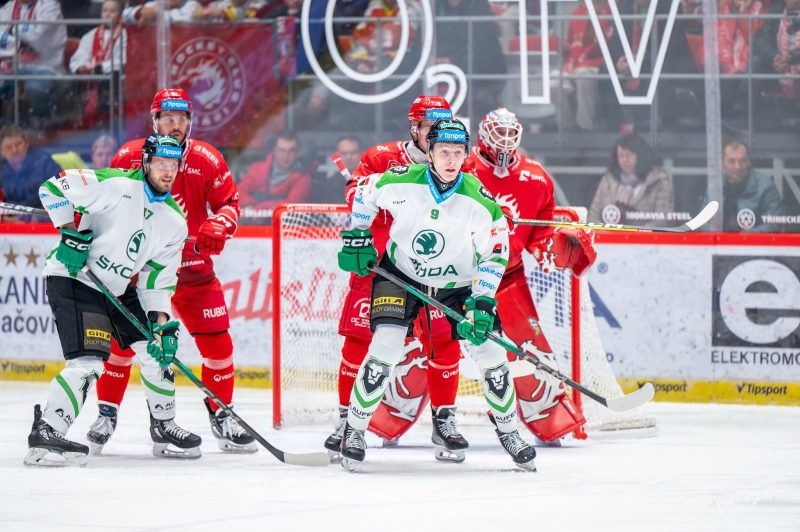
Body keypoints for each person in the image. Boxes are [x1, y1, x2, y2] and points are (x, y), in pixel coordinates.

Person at [338, 118, 537, 472]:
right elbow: (364, 192)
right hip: (399, 274)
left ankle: (509, 431)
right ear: (429, 152)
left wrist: (483, 302)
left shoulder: (478, 199)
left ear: (465, 155)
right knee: (385, 345)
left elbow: (494, 254)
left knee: (491, 352)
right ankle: (354, 429)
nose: (451, 159)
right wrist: (358, 236)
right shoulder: (401, 180)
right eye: (443, 151)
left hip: (457, 285)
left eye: (458, 152)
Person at [87, 88, 255, 457]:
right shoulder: (131, 156)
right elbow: (109, 203)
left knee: (219, 348)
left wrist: (218, 226)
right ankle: (106, 414)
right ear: (155, 121)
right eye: (168, 118)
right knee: (122, 348)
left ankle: (222, 415)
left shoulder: (207, 159)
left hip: (193, 273)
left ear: (190, 122)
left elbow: (229, 205)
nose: (175, 125)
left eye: (181, 119)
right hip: (139, 271)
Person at [24, 135, 193, 467]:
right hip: (75, 277)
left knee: (157, 350)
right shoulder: (115, 185)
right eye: (161, 163)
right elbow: (52, 188)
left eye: (173, 165)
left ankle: (163, 425)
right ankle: (48, 428)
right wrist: (69, 231)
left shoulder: (175, 223)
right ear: (145, 164)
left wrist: (162, 327)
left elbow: (156, 285)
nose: (168, 171)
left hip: (115, 288)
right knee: (89, 363)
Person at [324, 96, 466, 462]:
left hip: (433, 269)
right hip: (380, 267)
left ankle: (443, 420)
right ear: (414, 128)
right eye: (430, 129)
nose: (438, 136)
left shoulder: (456, 161)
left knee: (444, 343)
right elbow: (356, 195)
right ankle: (346, 421)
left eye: (442, 128)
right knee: (358, 342)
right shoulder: (380, 158)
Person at [468, 107, 594, 444]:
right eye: (500, 133)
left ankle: (548, 421)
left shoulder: (536, 178)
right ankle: (389, 412)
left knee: (532, 355)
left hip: (507, 279)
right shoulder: (461, 168)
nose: (506, 141)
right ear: (484, 134)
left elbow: (540, 232)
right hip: (452, 279)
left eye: (511, 134)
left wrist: (552, 249)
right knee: (417, 350)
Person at [0, 0, 67, 124]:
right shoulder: (10, 6)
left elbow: (37, 34)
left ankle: (43, 125)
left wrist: (12, 31)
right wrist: (16, 40)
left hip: (45, 67)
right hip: (15, 67)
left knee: (34, 88)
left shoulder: (50, 5)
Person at [552, 0, 614, 131]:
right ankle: (569, 126)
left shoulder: (613, 11)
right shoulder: (578, 13)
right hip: (573, 64)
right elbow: (569, 42)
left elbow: (613, 46)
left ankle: (586, 127)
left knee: (583, 75)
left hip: (597, 63)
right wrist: (564, 46)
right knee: (553, 83)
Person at [588, 133, 675, 226]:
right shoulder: (608, 180)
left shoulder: (659, 181)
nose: (625, 160)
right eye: (621, 156)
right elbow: (593, 216)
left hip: (644, 239)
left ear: (641, 155)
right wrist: (607, 233)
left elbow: (664, 219)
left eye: (629, 155)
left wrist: (634, 235)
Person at [70, 0, 126, 120]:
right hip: (91, 77)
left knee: (106, 83)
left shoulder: (125, 34)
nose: (107, 14)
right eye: (105, 11)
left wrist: (101, 68)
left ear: (120, 15)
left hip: (111, 77)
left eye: (112, 11)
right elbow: (80, 55)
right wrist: (82, 66)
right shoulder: (90, 35)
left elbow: (122, 59)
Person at [238, 130, 312, 215]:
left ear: (297, 152)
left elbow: (292, 204)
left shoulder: (303, 177)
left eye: (291, 151)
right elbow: (240, 190)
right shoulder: (257, 168)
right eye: (282, 150)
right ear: (275, 151)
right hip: (251, 221)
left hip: (281, 224)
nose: (286, 155)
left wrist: (260, 209)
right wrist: (248, 204)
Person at [719, 139, 783, 232]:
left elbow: (774, 225)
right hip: (720, 245)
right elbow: (703, 221)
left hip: (756, 245)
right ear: (722, 163)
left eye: (742, 161)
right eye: (731, 161)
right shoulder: (715, 186)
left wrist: (742, 238)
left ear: (748, 162)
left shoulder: (766, 187)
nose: (737, 166)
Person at [0, 125, 62, 208]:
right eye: (8, 147)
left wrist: (32, 218)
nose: (14, 150)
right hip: (9, 219)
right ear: (2, 151)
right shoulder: (1, 170)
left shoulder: (46, 164)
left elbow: (62, 200)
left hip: (42, 218)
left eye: (18, 144)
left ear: (26, 143)